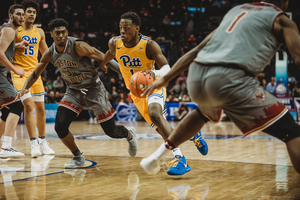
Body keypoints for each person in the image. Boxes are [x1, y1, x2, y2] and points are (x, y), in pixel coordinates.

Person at [141, 0, 300, 175]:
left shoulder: (236, 11)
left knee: (203, 112)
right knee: (291, 132)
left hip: (196, 76)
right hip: (229, 78)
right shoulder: (282, 20)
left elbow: (197, 50)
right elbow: (298, 58)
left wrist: (165, 79)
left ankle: (157, 156)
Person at [16, 18, 138, 169]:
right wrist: (25, 88)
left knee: (111, 131)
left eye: (63, 32)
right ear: (52, 35)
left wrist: (129, 76)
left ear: (67, 33)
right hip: (73, 91)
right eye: (57, 33)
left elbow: (104, 57)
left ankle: (129, 134)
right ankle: (78, 156)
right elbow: (35, 74)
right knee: (60, 126)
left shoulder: (78, 46)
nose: (61, 35)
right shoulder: (50, 53)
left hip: (94, 89)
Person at [100, 12, 208, 175]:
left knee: (155, 114)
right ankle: (192, 133)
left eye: (127, 28)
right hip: (136, 93)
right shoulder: (115, 43)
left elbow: (167, 69)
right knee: (160, 126)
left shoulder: (149, 45)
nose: (123, 31)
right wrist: (103, 63)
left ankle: (181, 160)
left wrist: (154, 74)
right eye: (121, 28)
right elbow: (109, 55)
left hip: (153, 84)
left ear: (137, 28)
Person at [11, 0, 54, 158]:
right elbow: (5, 50)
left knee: (40, 109)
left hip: (35, 74)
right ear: (23, 14)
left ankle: (43, 142)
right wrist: (16, 47)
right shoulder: (15, 30)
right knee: (28, 106)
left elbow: (46, 53)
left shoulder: (40, 32)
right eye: (28, 12)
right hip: (20, 74)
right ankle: (33, 143)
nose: (31, 14)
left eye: (34, 12)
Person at [0, 4, 26, 157]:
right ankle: (6, 147)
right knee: (17, 106)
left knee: (6, 110)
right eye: (18, 14)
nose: (21, 17)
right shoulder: (9, 30)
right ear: (11, 15)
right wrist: (15, 70)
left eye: (22, 14)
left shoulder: (6, 30)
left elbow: (4, 46)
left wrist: (17, 46)